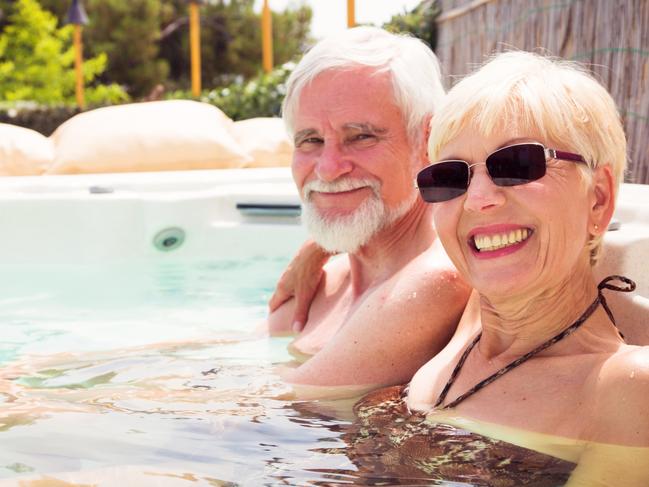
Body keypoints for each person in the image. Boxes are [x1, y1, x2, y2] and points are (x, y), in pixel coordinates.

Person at [394, 50, 648, 484]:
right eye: (451, 176)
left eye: (517, 165)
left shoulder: (625, 389)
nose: (477, 199)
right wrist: (318, 251)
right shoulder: (474, 313)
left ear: (599, 198)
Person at [264, 26, 471, 392]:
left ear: (428, 141)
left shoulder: (431, 282)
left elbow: (278, 410)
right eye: (310, 140)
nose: (328, 169)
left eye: (361, 136)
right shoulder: (325, 281)